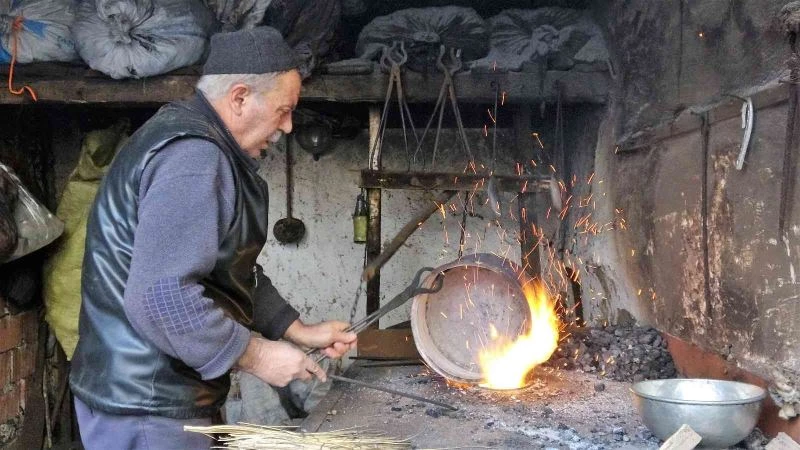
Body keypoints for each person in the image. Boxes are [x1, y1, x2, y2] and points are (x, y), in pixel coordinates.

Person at [69, 27, 357, 450]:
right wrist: (258, 356)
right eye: (283, 110)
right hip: (148, 405)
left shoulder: (188, 138)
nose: (289, 127)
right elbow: (161, 296)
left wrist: (297, 330)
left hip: (145, 395)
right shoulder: (194, 157)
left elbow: (225, 265)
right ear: (240, 97)